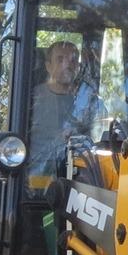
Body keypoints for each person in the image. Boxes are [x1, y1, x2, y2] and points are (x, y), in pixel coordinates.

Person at [28, 40, 101, 174]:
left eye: (73, 60)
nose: (67, 65)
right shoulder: (30, 100)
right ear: (48, 66)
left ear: (78, 67)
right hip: (33, 179)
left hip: (81, 180)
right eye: (60, 59)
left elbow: (100, 137)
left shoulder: (88, 100)